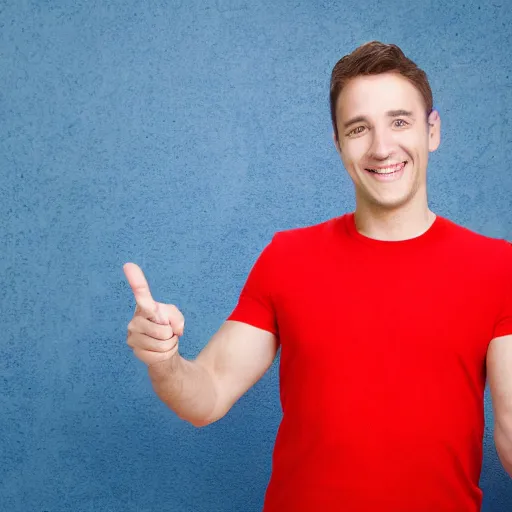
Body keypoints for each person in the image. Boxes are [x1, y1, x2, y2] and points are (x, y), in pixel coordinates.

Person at [123, 41, 512, 511]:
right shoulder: (288, 257)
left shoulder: (496, 268)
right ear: (338, 144)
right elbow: (207, 395)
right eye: (358, 128)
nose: (382, 147)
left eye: (400, 121)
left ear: (433, 131)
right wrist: (165, 361)